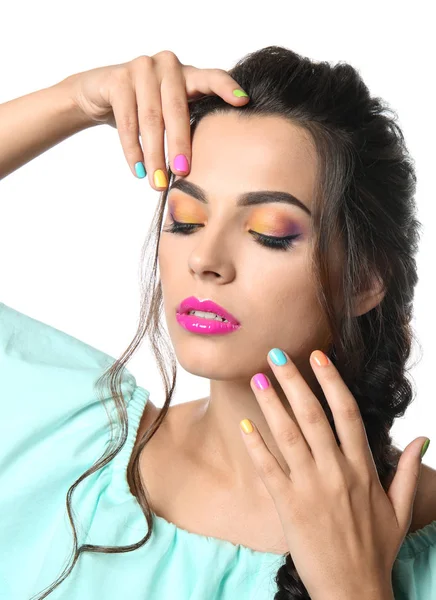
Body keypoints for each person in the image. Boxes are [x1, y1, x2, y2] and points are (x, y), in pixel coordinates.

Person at [0, 46, 435, 600]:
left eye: (270, 233)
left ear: (366, 281)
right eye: (186, 220)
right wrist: (73, 101)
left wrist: (357, 589)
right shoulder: (68, 443)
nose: (205, 259)